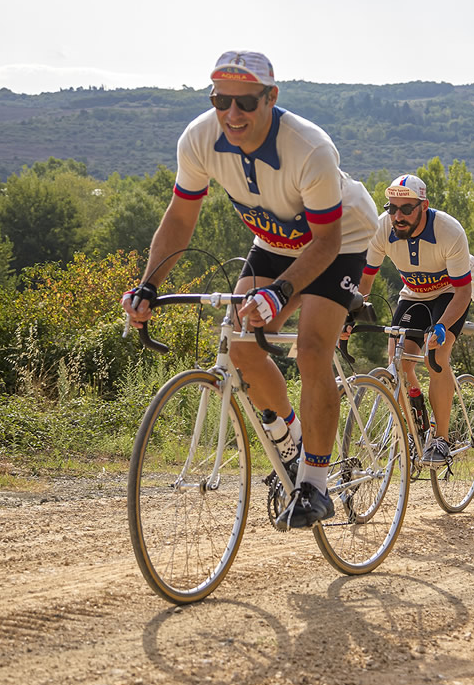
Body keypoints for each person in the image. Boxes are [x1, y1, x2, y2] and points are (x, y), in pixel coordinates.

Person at [122, 50, 379, 529]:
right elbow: (180, 219)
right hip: (277, 241)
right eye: (221, 101)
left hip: (342, 240)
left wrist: (281, 293)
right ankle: (289, 439)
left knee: (311, 346)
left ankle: (315, 484)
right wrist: (147, 286)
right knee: (240, 340)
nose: (232, 114)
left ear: (271, 97)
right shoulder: (200, 139)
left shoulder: (309, 148)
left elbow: (325, 243)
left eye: (245, 102)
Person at [357, 174, 474, 466]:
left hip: (451, 291)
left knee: (435, 355)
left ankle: (441, 439)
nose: (398, 216)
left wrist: (442, 327)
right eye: (392, 208)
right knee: (398, 360)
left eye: (406, 209)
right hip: (414, 293)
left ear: (424, 206)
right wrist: (348, 315)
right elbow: (365, 281)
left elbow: (462, 293)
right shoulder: (383, 228)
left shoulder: (449, 231)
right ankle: (415, 421)